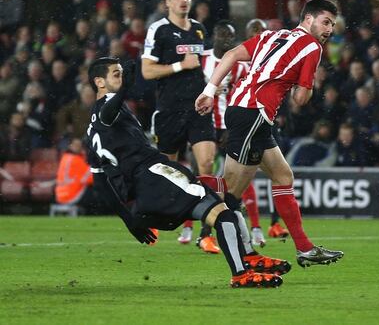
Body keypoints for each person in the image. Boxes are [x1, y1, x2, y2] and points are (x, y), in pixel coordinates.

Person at [87, 57, 286, 288]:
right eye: (116, 74)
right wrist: (125, 90)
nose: (122, 78)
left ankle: (250, 257)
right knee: (222, 212)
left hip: (145, 198)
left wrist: (129, 219)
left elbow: (101, 182)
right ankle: (241, 273)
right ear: (99, 82)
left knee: (226, 195)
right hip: (155, 176)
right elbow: (107, 113)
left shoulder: (91, 132)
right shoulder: (107, 109)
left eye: (122, 73)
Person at [196, 0, 344, 267]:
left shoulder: (271, 35)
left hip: (247, 112)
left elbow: (230, 56)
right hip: (253, 113)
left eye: (332, 25)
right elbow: (300, 99)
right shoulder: (312, 46)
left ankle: (303, 248)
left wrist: (208, 91)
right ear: (308, 19)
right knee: (230, 191)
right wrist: (310, 83)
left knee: (282, 175)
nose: (329, 30)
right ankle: (178, 188)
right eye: (325, 22)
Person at [140, 0, 218, 248]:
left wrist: (214, 87)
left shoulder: (198, 29)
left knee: (207, 163)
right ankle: (153, 219)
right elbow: (147, 71)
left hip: (198, 108)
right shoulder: (158, 30)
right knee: (165, 170)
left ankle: (206, 234)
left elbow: (207, 65)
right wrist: (178, 66)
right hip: (170, 110)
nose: (184, 0)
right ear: (168, 2)